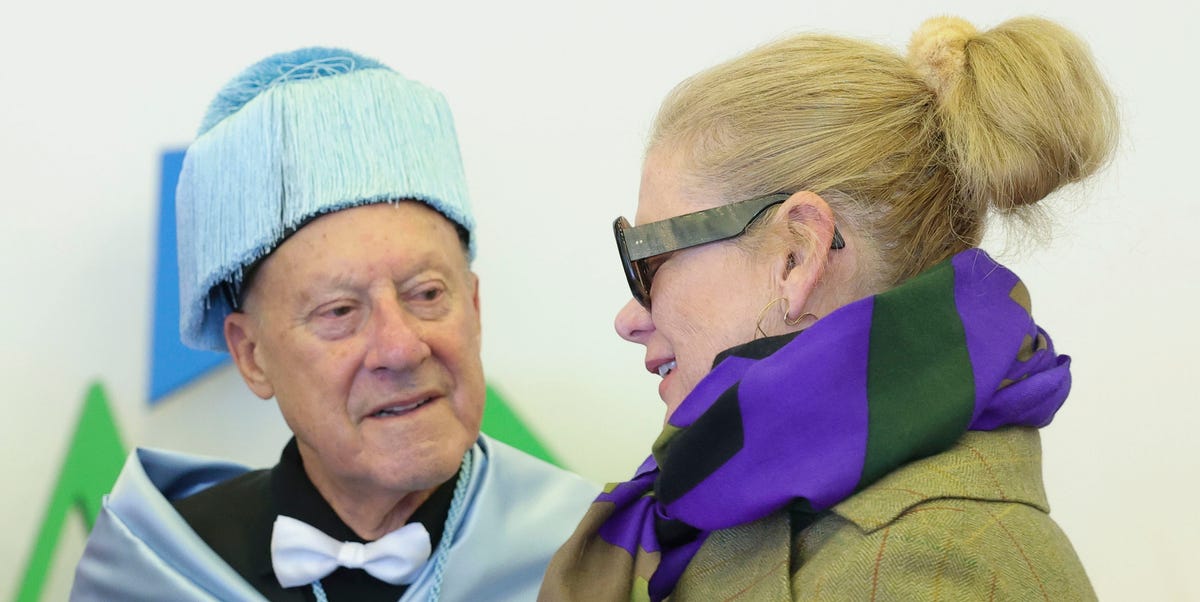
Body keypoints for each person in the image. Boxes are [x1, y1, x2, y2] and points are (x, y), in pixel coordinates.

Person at [541, 15, 1115, 601]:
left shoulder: (933, 573)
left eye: (649, 260)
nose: (629, 318)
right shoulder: (741, 503)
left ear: (798, 254)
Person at [71, 47, 597, 601]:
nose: (401, 348)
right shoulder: (158, 572)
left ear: (474, 307)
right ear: (251, 355)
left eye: (426, 294)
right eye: (339, 312)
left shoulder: (592, 556)